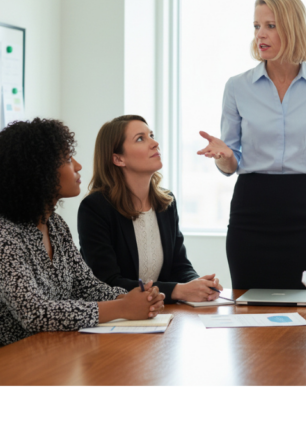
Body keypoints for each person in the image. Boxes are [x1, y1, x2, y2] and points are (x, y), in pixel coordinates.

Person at [197, 0, 306, 289]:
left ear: (293, 28)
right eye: (257, 26)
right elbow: (230, 164)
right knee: (248, 309)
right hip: (251, 207)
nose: (261, 35)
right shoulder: (236, 87)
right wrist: (223, 155)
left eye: (270, 26)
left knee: (305, 310)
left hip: (305, 208)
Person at [0, 118, 164, 347]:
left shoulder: (55, 224)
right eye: (66, 159)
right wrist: (122, 307)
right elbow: (35, 313)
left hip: (53, 350)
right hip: (10, 361)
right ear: (37, 172)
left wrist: (131, 297)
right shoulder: (1, 235)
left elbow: (86, 285)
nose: (78, 166)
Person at [78, 115, 222, 303]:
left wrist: (198, 284)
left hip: (159, 314)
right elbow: (107, 283)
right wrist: (177, 291)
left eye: (151, 135)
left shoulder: (166, 202)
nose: (155, 143)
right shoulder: (95, 208)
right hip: (116, 319)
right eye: (140, 138)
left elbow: (179, 265)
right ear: (118, 159)